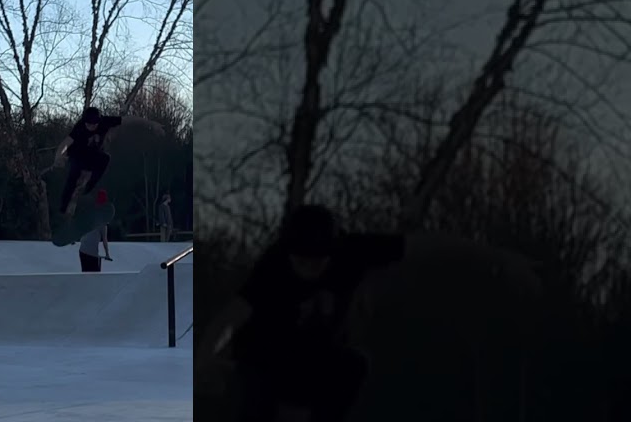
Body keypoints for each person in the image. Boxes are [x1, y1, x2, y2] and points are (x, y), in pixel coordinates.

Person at [198, 203, 541, 422]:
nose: (310, 270)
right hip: (263, 354)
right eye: (301, 262)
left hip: (317, 354)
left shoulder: (353, 251)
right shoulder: (272, 267)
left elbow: (428, 246)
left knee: (355, 364)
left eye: (318, 262)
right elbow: (230, 316)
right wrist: (201, 362)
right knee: (257, 379)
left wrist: (498, 258)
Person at [52, 106, 163, 215]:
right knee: (74, 174)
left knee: (105, 158)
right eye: (88, 125)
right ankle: (63, 208)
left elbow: (129, 120)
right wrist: (58, 157)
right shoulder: (80, 127)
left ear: (98, 122)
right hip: (77, 155)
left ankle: (88, 187)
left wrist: (151, 124)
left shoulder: (105, 121)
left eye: (93, 125)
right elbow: (65, 143)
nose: (90, 127)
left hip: (92, 155)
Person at [78, 191, 113, 272]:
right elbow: (104, 240)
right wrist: (107, 254)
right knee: (95, 276)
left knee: (85, 274)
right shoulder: (103, 221)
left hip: (82, 250)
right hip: (91, 253)